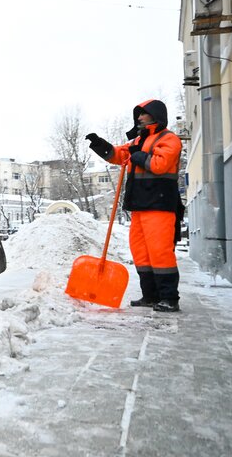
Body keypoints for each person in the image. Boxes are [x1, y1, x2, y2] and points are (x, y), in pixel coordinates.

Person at [86, 99, 183, 312]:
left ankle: (169, 298)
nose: (139, 117)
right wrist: (100, 144)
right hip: (139, 205)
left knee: (160, 252)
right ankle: (150, 296)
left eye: (144, 113)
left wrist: (137, 154)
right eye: (138, 114)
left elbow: (159, 164)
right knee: (141, 252)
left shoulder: (169, 139)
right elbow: (119, 155)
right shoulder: (139, 140)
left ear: (156, 115)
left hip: (159, 204)